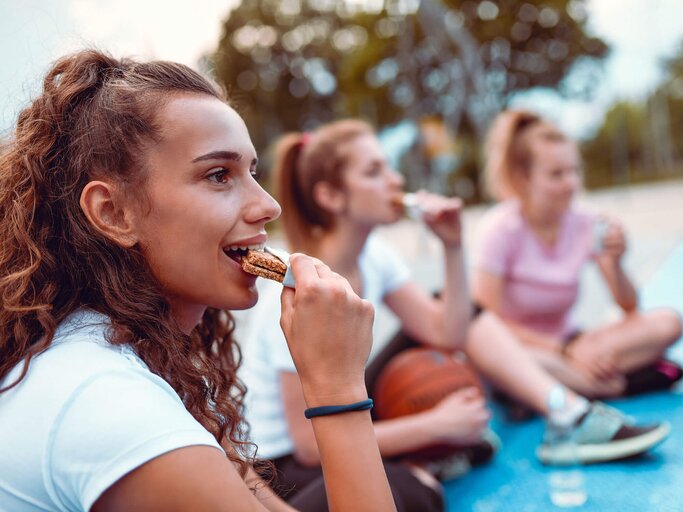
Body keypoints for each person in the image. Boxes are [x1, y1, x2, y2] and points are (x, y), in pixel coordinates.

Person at [0, 50, 397, 512]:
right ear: (113, 213)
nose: (268, 206)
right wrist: (337, 388)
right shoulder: (106, 402)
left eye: (252, 172)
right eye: (217, 175)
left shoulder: (153, 356)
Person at [239, 119, 671, 509]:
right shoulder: (301, 291)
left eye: (390, 167)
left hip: (335, 410)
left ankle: (567, 411)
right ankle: (442, 451)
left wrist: (452, 245)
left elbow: (449, 332)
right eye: (375, 171)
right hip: (288, 467)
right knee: (417, 491)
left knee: (448, 299)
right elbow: (310, 447)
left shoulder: (376, 255)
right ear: (331, 196)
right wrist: (435, 425)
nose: (396, 180)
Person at [472, 109, 683, 399]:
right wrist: (564, 350)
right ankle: (614, 385)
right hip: (523, 347)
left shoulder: (587, 223)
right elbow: (484, 323)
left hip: (577, 342)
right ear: (523, 178)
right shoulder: (499, 229)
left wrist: (616, 262)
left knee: (668, 323)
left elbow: (629, 306)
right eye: (557, 174)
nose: (571, 182)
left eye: (575, 171)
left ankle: (557, 387)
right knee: (506, 360)